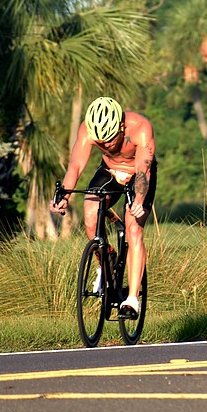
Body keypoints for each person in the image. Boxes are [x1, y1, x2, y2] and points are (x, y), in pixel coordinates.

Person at [50, 97, 157, 318]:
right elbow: (76, 165)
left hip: (138, 176)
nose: (106, 145)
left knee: (133, 227)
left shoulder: (140, 128)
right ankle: (106, 260)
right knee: (90, 212)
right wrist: (65, 195)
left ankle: (132, 299)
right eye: (101, 141)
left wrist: (138, 200)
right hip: (110, 171)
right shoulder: (87, 129)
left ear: (120, 126)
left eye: (109, 139)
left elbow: (143, 171)